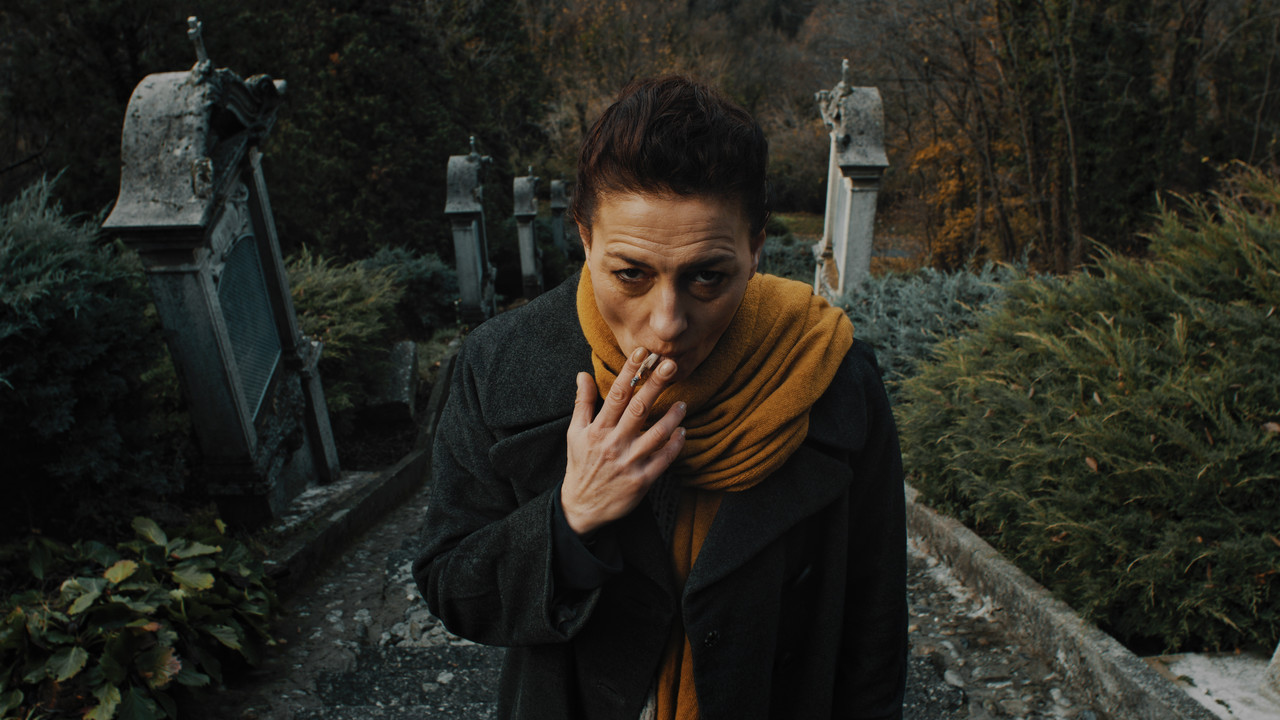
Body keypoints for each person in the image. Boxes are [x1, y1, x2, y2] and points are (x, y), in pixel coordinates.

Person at [413, 75, 906, 720]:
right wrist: (570, 519)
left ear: (756, 248)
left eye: (708, 277)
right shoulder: (497, 365)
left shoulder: (832, 375)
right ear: (585, 239)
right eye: (631, 274)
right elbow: (453, 586)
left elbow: (873, 627)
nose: (668, 322)